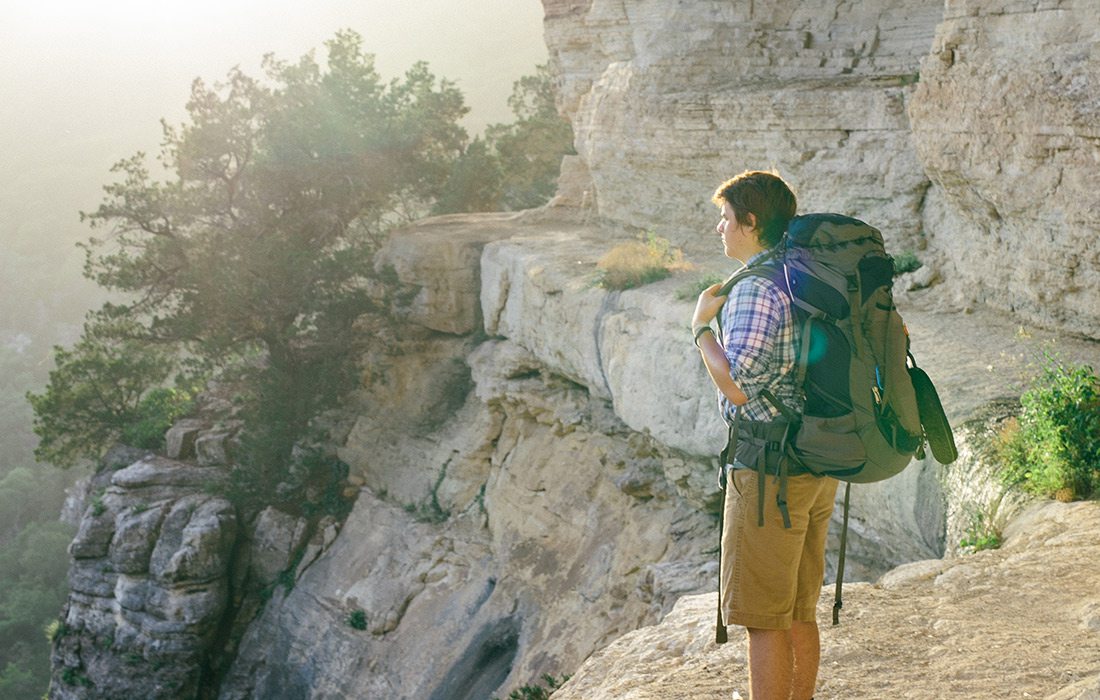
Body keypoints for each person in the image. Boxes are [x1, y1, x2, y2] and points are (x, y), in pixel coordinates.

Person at [691, 170, 838, 700]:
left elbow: (739, 387)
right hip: (815, 458)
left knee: (763, 618)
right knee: (798, 607)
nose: (720, 228)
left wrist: (701, 330)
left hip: (771, 471)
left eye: (726, 218)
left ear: (750, 222)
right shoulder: (803, 272)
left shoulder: (756, 288)